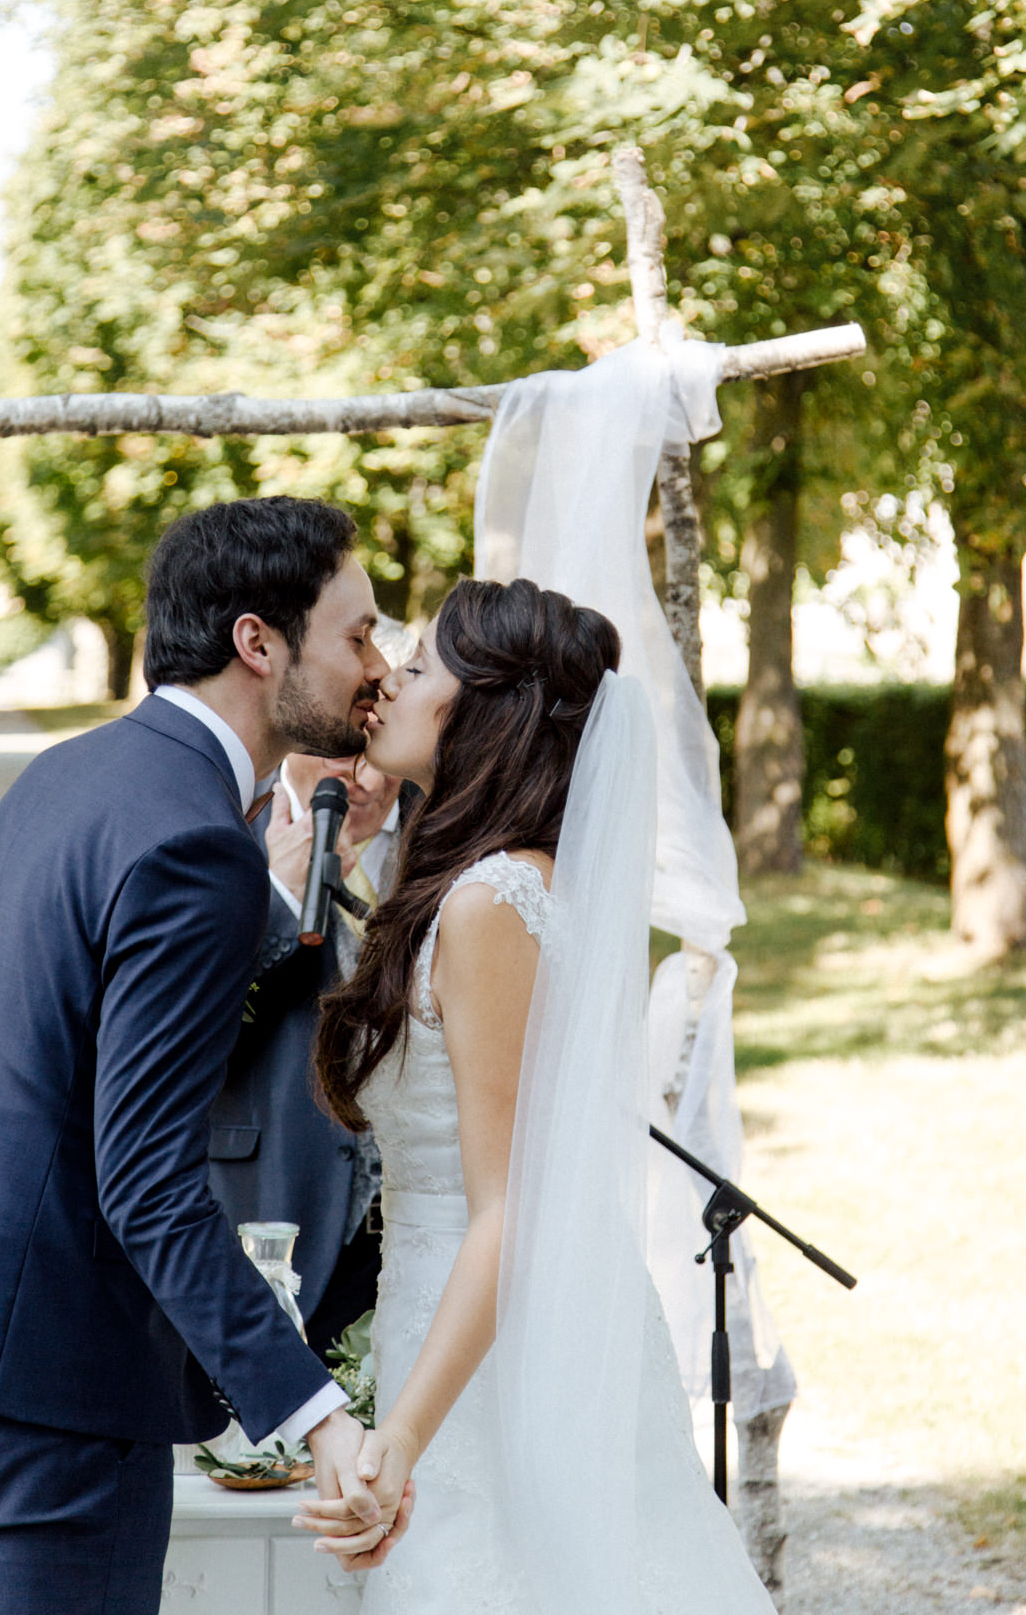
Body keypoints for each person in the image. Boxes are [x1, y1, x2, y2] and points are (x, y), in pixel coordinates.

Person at [0, 497, 413, 1615]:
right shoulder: (196, 842)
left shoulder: (59, 776)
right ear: (256, 640)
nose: (378, 665)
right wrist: (314, 1410)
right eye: (359, 632)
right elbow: (142, 1179)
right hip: (52, 1385)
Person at [301, 576, 775, 1612]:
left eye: (420, 664)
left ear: (485, 713)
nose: (387, 679)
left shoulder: (489, 904)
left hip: (495, 1362)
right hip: (455, 1320)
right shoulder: (482, 882)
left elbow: (506, 1209)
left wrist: (400, 1442)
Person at [209, 752, 402, 1360]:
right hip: (277, 1198)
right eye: (347, 756)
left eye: (378, 755)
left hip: (422, 1211)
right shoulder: (225, 828)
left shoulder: (456, 831)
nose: (365, 780)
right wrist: (274, 904)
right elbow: (185, 1027)